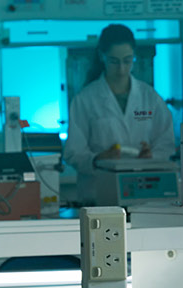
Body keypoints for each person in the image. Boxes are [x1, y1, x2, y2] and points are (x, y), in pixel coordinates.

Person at [63, 24, 176, 204]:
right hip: (98, 195)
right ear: (102, 56)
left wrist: (151, 155)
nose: (122, 69)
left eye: (128, 60)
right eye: (114, 61)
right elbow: (73, 152)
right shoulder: (85, 99)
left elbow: (166, 142)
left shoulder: (150, 98)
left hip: (144, 195)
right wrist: (97, 159)